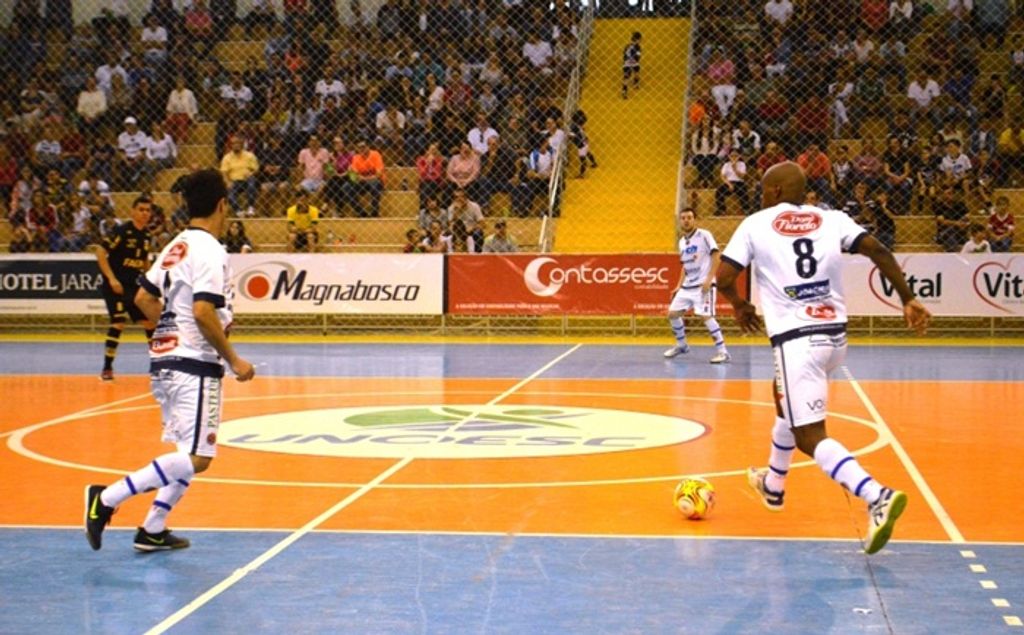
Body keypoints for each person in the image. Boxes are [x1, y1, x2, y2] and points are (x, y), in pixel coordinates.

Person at [716, 161, 930, 555]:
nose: (762, 198)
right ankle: (774, 485)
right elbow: (877, 249)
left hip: (797, 340)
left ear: (776, 193)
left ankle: (876, 495)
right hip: (834, 338)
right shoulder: (832, 219)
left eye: (765, 191)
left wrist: (739, 305)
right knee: (784, 400)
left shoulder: (756, 223)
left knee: (809, 435)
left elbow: (724, 276)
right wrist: (908, 298)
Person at [85, 169, 256, 553]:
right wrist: (234, 361)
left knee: (185, 452)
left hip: (165, 361)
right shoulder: (210, 249)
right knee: (199, 457)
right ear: (222, 204)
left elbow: (144, 299)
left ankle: (153, 527)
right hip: (194, 362)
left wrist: (170, 327)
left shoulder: (175, 244)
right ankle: (106, 498)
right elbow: (201, 311)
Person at [95, 197, 157, 381]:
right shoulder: (122, 231)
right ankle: (107, 368)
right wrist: (112, 278)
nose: (145, 213)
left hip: (134, 286)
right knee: (119, 322)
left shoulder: (146, 236)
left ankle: (157, 366)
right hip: (116, 286)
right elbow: (100, 251)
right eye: (141, 209)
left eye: (148, 210)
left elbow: (145, 261)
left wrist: (150, 281)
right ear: (133, 211)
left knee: (150, 323)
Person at [663, 207, 730, 364]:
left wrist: (709, 279)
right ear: (680, 221)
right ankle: (682, 345)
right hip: (687, 286)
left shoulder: (704, 235)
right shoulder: (681, 242)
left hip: (702, 285)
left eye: (689, 217)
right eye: (683, 218)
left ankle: (723, 352)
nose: (686, 220)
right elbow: (685, 266)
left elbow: (716, 255)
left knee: (706, 316)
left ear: (694, 220)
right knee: (672, 314)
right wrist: (678, 285)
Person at [622, 31, 642, 99]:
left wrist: (626, 61)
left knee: (626, 77)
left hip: (627, 63)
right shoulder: (638, 47)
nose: (640, 41)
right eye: (640, 39)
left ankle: (624, 90)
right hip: (634, 63)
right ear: (637, 39)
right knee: (637, 73)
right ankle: (635, 84)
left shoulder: (627, 46)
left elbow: (624, 55)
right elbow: (638, 56)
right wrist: (635, 60)